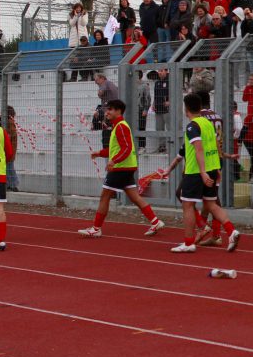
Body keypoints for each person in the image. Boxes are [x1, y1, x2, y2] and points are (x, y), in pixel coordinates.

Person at [161, 93, 240, 253]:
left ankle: (189, 242)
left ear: (186, 109)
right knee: (211, 204)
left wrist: (202, 172)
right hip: (212, 168)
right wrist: (221, 161)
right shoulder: (207, 123)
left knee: (188, 205)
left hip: (196, 171)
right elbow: (216, 145)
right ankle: (231, 230)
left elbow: (199, 149)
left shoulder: (192, 126)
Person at [77, 100, 164, 238]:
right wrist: (99, 153)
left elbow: (127, 148)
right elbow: (115, 149)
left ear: (118, 111)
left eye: (110, 109)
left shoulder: (121, 127)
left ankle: (96, 228)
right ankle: (155, 221)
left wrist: (114, 161)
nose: (107, 112)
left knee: (104, 196)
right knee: (134, 197)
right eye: (106, 110)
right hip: (126, 167)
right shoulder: (117, 126)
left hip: (121, 168)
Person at [0, 115, 15, 250]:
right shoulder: (2, 132)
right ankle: (0, 240)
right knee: (0, 208)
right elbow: (9, 153)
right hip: (0, 174)